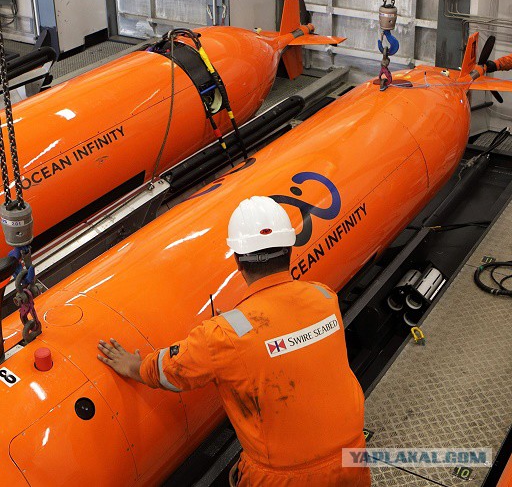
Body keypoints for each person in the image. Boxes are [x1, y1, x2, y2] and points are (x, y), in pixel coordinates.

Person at [98, 196, 370, 487]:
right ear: (290, 249)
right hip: (353, 457)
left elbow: (171, 372)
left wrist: (137, 366)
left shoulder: (224, 333)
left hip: (285, 478)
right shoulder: (325, 297)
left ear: (239, 260)